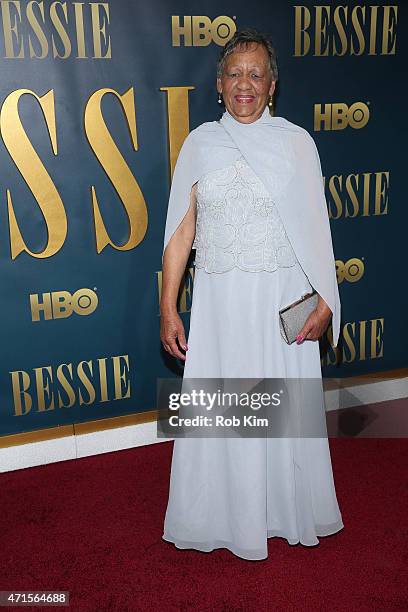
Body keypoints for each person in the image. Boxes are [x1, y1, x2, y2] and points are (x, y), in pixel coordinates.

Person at [159, 28, 344, 561]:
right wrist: (169, 305)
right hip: (220, 308)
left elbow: (317, 228)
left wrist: (327, 298)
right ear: (219, 85)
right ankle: (223, 516)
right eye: (235, 74)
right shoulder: (198, 144)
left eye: (256, 74)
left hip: (281, 303)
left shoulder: (296, 142)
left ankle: (283, 513)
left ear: (272, 85)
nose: (245, 84)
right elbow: (180, 232)